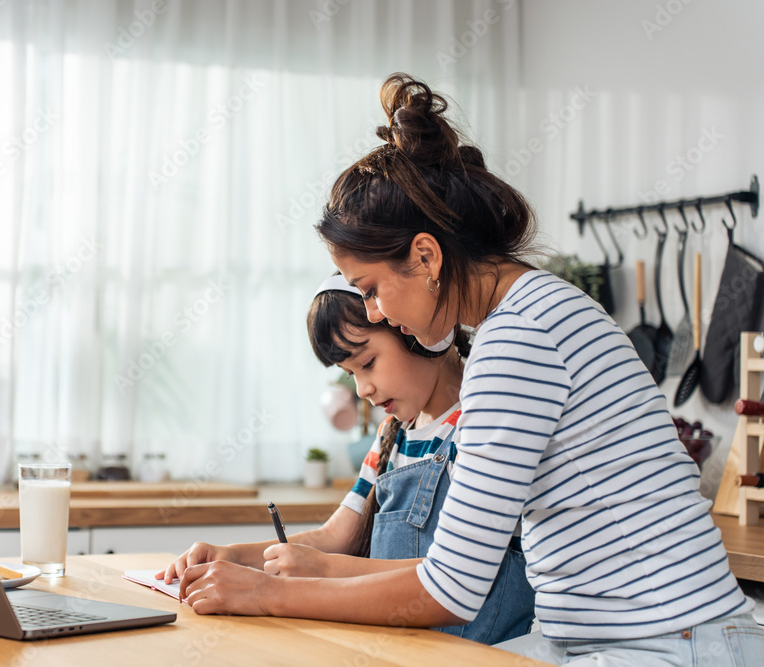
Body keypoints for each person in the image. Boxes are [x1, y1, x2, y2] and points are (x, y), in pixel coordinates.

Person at [177, 73, 764, 664]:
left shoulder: (517, 338)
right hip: (628, 638)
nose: (377, 312)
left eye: (372, 289)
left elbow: (449, 588)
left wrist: (272, 595)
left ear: (426, 256)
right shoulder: (532, 312)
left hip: (671, 645)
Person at [161, 274, 535, 644]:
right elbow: (336, 535)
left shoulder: (481, 425)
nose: (363, 390)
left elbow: (459, 572)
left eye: (367, 362)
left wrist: (321, 570)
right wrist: (234, 556)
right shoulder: (392, 435)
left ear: (421, 334)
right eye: (350, 373)